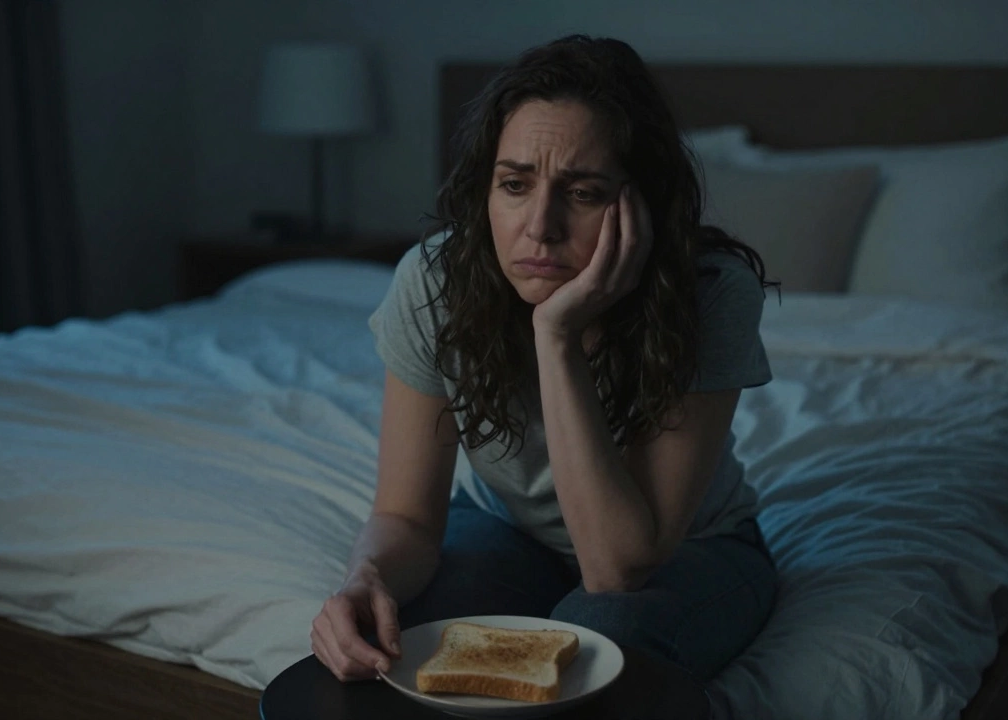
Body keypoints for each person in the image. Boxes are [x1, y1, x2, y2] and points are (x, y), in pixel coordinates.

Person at [310, 34, 778, 685]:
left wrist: (557, 334)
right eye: (514, 184)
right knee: (401, 642)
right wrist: (367, 576)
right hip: (505, 531)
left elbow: (616, 568)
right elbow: (407, 517)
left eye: (582, 193)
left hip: (691, 551)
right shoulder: (435, 281)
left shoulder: (712, 292)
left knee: (601, 641)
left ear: (642, 202)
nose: (540, 226)